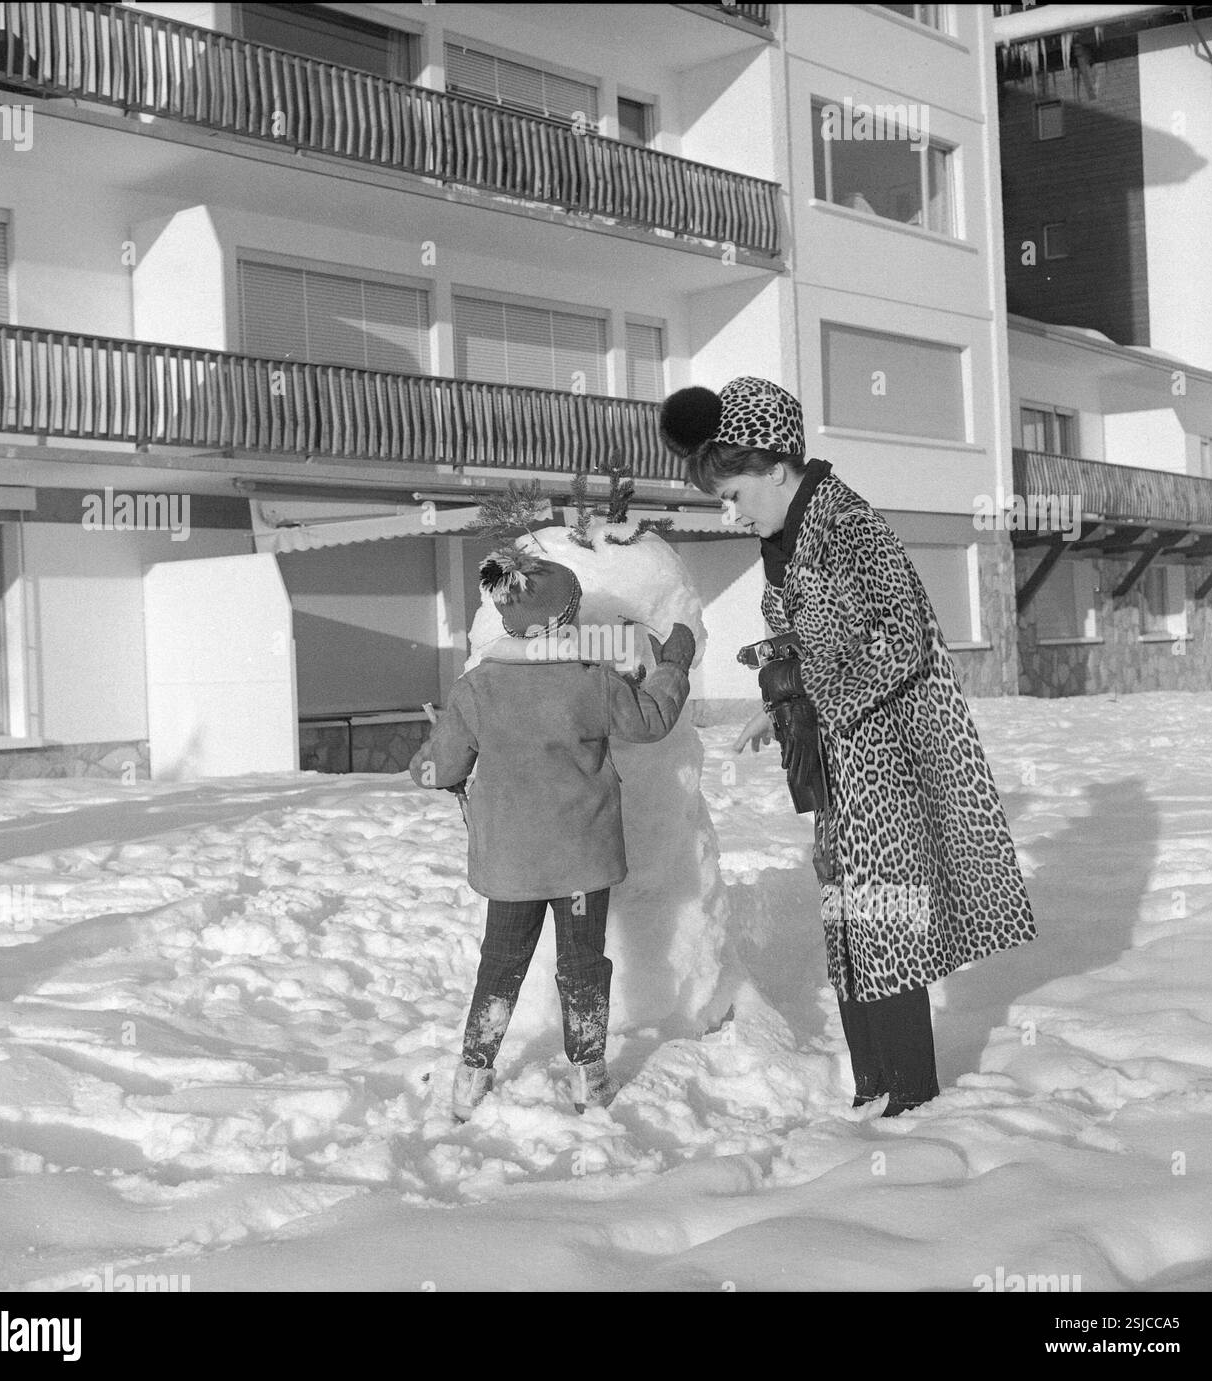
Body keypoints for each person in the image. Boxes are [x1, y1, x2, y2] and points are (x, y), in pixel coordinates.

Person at [660, 377, 1036, 1116]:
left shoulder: (848, 524)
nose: (730, 511)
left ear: (776, 468)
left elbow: (901, 639)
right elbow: (824, 635)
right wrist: (787, 700)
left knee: (885, 918)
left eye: (734, 492)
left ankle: (912, 1098)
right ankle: (876, 1086)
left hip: (889, 755)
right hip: (844, 755)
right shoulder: (793, 535)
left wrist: (819, 699)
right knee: (848, 916)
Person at [410, 546, 696, 1121]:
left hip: (512, 864)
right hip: (581, 863)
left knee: (500, 963)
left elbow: (435, 770)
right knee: (583, 966)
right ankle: (589, 1078)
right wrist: (673, 665)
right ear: (566, 619)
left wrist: (438, 746)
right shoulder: (591, 683)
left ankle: (471, 1078)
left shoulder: (475, 689)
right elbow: (652, 722)